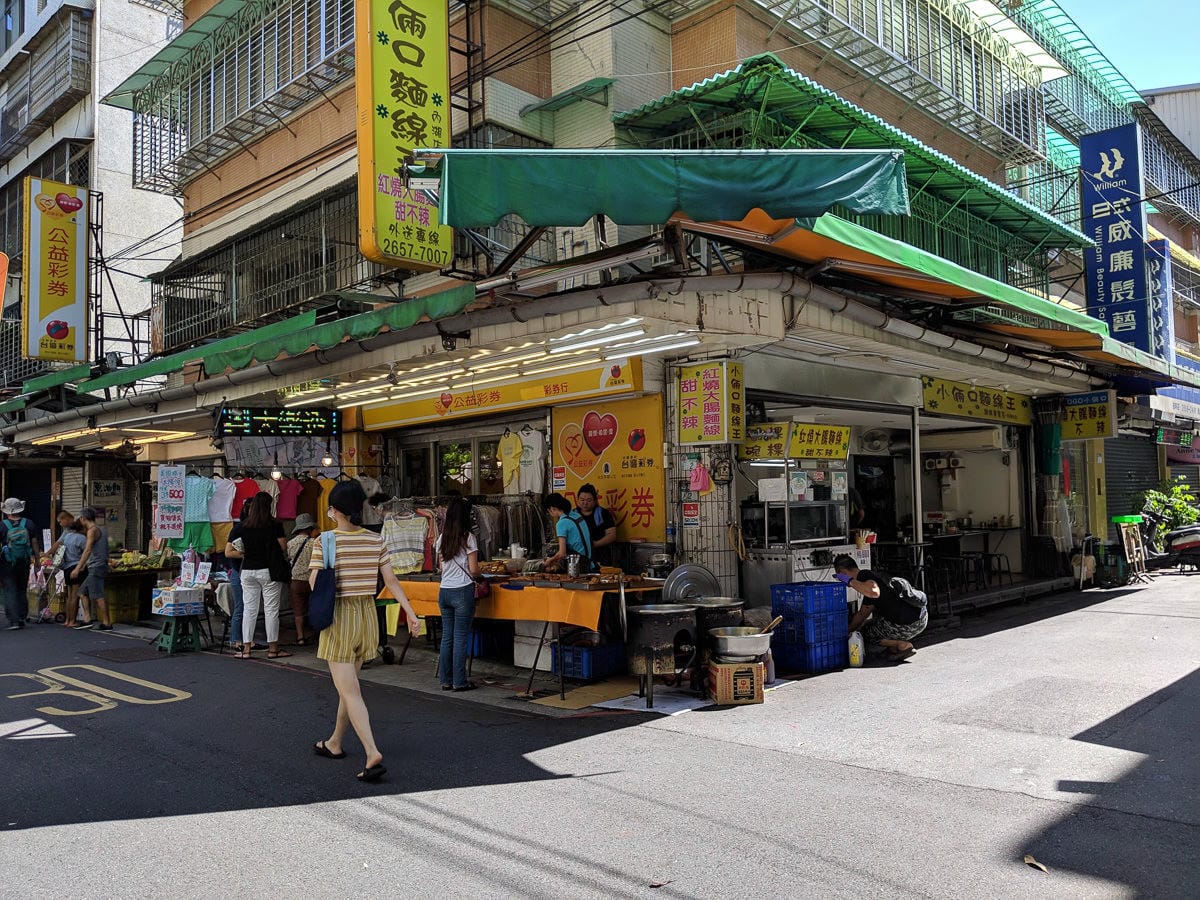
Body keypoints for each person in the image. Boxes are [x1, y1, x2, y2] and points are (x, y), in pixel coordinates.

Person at [310, 480, 420, 783]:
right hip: (367, 617)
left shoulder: (325, 541)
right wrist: (410, 612)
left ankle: (372, 752)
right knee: (350, 688)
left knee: (350, 691)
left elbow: (314, 585)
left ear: (335, 510)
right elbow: (391, 582)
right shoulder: (375, 539)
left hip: (340, 618)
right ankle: (334, 742)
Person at [229, 492, 289, 659]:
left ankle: (246, 650)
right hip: (268, 570)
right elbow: (283, 547)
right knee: (271, 610)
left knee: (249, 610)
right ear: (269, 506)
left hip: (247, 570)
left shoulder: (242, 526)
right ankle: (273, 650)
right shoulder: (274, 524)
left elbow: (237, 548)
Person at [833, 554, 925, 661]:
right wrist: (847, 632)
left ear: (843, 573)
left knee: (866, 633)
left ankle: (902, 645)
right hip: (921, 618)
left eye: (840, 578)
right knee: (875, 623)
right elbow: (862, 614)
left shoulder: (864, 576)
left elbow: (873, 592)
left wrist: (849, 581)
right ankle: (893, 648)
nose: (841, 582)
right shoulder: (875, 577)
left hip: (908, 624)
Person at [435, 497, 480, 692]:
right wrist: (481, 574)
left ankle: (445, 680)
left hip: (444, 591)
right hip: (462, 590)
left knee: (447, 637)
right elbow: (474, 569)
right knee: (460, 637)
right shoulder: (468, 537)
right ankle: (459, 681)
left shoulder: (441, 537)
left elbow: (441, 568)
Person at [0, 497, 39, 630]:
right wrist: (37, 560)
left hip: (7, 563)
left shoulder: (2, 525)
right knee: (21, 589)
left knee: (10, 590)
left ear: (6, 511)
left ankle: (14, 621)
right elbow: (34, 542)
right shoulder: (29, 523)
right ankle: (22, 617)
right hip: (24, 561)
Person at [73, 508, 112, 631]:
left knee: (98, 595)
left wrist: (78, 567)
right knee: (82, 592)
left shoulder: (92, 531)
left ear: (83, 518)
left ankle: (107, 623)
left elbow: (88, 549)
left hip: (96, 567)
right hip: (98, 565)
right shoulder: (102, 529)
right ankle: (87, 619)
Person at [286, 513, 319, 646]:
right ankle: (317, 633)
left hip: (296, 581)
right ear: (310, 528)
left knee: (298, 610)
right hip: (312, 580)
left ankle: (300, 637)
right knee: (315, 607)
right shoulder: (315, 543)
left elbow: (289, 559)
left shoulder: (290, 543)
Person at [224, 498, 252, 653]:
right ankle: (236, 639)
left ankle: (247, 639)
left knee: (248, 607)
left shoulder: (258, 528)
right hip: (238, 571)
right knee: (241, 606)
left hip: (246, 571)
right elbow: (228, 552)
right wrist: (246, 554)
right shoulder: (238, 528)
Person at [542, 493, 594, 573]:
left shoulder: (561, 523)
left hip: (578, 565)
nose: (550, 514)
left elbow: (562, 553)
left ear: (552, 508)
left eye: (548, 511)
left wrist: (549, 561)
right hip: (590, 562)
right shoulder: (576, 515)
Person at [58, 517, 93, 629]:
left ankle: (68, 620)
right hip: (77, 568)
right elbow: (87, 553)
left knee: (69, 596)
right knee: (75, 596)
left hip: (67, 568)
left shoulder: (67, 537)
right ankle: (72, 620)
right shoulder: (82, 539)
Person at [575, 483, 617, 567]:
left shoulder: (603, 513)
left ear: (595, 500)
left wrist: (595, 544)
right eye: (582, 500)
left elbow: (612, 535)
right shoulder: (573, 515)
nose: (585, 503)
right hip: (579, 558)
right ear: (578, 500)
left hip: (601, 557)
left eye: (589, 500)